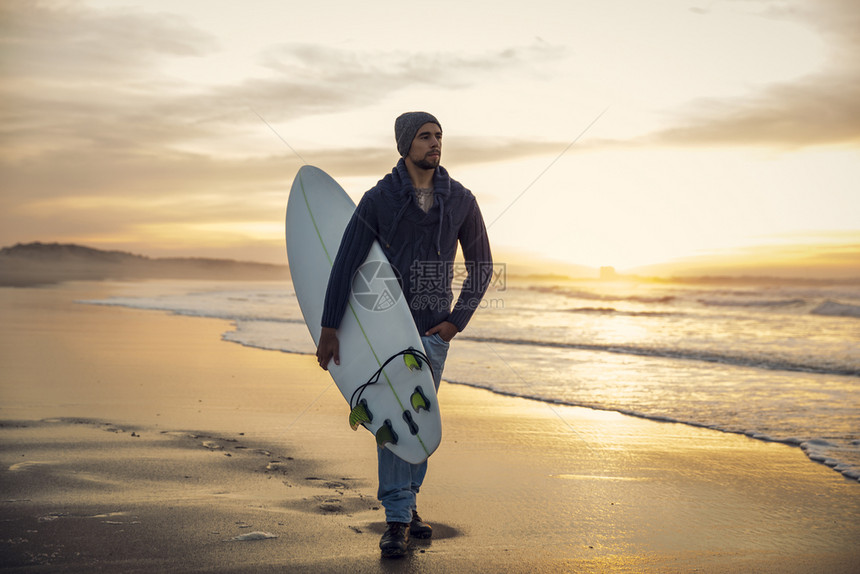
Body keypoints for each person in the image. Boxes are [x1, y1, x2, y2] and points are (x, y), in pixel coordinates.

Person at [315, 111, 492, 558]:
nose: (435, 143)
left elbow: (482, 266)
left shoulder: (462, 201)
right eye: (424, 137)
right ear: (404, 145)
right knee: (394, 423)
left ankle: (406, 504)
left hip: (433, 333)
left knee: (419, 417)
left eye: (438, 136)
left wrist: (455, 322)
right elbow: (346, 263)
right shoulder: (379, 199)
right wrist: (330, 326)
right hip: (387, 331)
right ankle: (397, 518)